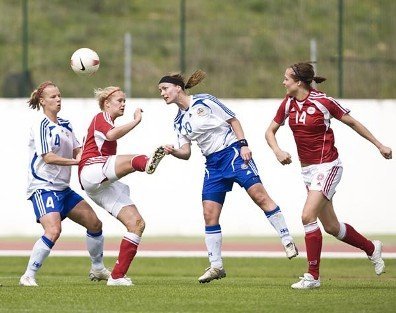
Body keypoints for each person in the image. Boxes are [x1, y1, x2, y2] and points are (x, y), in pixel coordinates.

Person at [158, 70, 298, 284]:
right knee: (209, 213)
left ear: (178, 87)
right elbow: (186, 153)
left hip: (232, 153)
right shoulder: (178, 121)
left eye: (165, 88)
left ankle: (287, 240)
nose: (162, 93)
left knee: (260, 197)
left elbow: (233, 120)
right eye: (160, 90)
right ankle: (216, 266)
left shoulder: (205, 100)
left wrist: (243, 145)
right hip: (212, 165)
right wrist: (173, 151)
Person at [265, 62, 392, 289]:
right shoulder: (288, 104)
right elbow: (269, 131)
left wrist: (379, 145)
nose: (283, 82)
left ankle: (312, 276)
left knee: (306, 216)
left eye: (286, 78)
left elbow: (352, 122)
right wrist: (277, 151)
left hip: (328, 166)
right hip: (307, 171)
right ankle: (372, 248)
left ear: (299, 82)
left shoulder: (323, 102)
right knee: (332, 227)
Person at [20, 81, 110, 287]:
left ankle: (97, 269)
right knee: (53, 230)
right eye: (53, 97)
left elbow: (78, 149)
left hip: (63, 189)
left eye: (59, 96)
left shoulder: (66, 124)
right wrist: (76, 161)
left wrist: (87, 157)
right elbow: (48, 157)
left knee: (95, 224)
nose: (58, 99)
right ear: (42, 101)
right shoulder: (41, 125)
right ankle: (28, 275)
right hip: (43, 187)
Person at [78, 86, 166, 286]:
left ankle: (117, 276)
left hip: (101, 183)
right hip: (92, 170)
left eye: (124, 100)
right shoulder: (101, 117)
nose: (123, 104)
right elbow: (111, 135)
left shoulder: (106, 121)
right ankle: (145, 162)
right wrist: (135, 121)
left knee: (137, 224)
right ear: (106, 103)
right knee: (133, 160)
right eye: (119, 100)